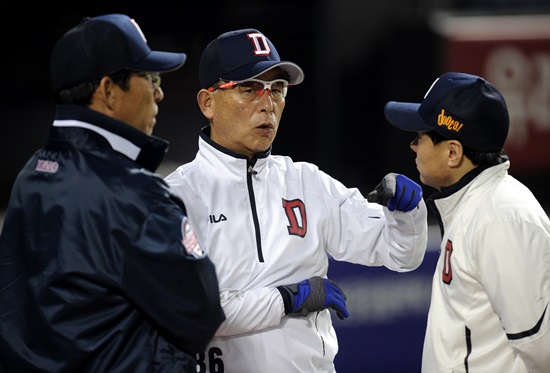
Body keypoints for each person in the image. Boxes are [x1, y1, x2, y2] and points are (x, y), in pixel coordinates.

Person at [164, 28, 428, 372]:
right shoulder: (175, 197)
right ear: (207, 102)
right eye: (249, 88)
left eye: (277, 89)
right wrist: (290, 298)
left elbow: (399, 253)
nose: (267, 104)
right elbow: (190, 311)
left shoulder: (306, 182)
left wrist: (407, 214)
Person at [0, 14, 225, 372]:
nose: (159, 92)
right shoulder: (135, 193)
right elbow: (201, 315)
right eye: (150, 78)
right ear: (107, 91)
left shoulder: (31, 174)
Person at [383, 71, 550, 372]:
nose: (413, 147)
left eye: (420, 137)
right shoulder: (477, 204)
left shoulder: (502, 217)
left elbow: (541, 348)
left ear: (452, 153)